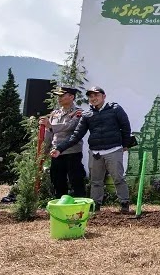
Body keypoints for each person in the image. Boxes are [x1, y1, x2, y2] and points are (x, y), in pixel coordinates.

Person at [51, 86, 132, 214]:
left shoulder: (115, 109)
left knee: (118, 178)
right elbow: (76, 135)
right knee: (95, 181)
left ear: (103, 97)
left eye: (96, 95)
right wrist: (59, 149)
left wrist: (125, 144)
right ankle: (96, 206)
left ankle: (124, 204)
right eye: (90, 96)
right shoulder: (86, 114)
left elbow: (125, 126)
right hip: (95, 152)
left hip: (113, 150)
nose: (93, 98)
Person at [40, 86, 85, 197]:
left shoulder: (78, 112)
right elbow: (49, 133)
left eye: (62, 95)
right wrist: (44, 152)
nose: (59, 98)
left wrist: (51, 126)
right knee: (57, 181)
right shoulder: (55, 113)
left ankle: (80, 206)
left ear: (71, 97)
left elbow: (70, 126)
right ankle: (60, 206)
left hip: (72, 152)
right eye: (58, 96)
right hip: (55, 152)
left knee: (76, 181)